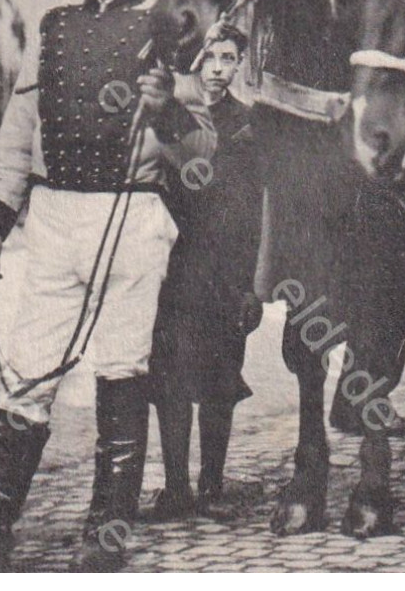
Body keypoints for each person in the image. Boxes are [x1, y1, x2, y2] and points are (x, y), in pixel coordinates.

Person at [0, 0, 215, 572]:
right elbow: (18, 128)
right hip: (55, 218)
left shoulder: (172, 32)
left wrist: (170, 114)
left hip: (134, 217)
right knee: (28, 372)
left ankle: (107, 534)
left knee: (122, 370)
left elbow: (206, 149)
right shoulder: (55, 26)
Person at [143, 30, 264, 521]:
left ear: (239, 65)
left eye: (228, 58)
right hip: (175, 262)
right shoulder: (170, 116)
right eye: (208, 58)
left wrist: (253, 282)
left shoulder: (248, 125)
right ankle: (176, 488)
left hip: (227, 266)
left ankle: (212, 482)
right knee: (170, 375)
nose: (217, 68)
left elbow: (256, 207)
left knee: (221, 376)